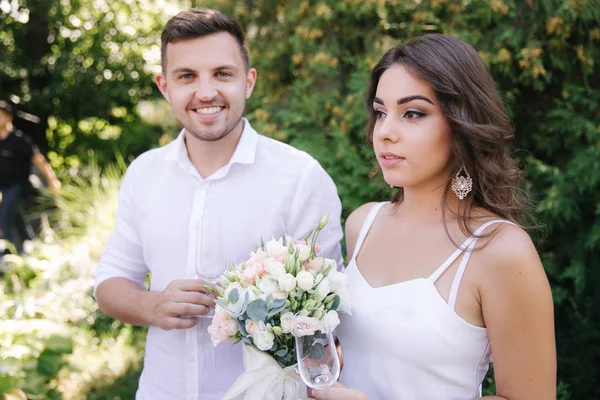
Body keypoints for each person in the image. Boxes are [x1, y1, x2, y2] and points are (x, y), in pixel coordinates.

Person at [93, 8, 343, 400]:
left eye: (222, 74)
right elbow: (109, 282)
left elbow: (331, 315)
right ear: (164, 86)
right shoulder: (144, 174)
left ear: (249, 81)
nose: (206, 92)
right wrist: (152, 305)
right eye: (187, 76)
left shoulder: (300, 178)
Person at [309, 34, 556, 400]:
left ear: (461, 123)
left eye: (413, 113)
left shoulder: (500, 250)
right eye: (380, 112)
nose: (385, 133)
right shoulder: (362, 224)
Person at [0, 100, 61, 255]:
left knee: (5, 218)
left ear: (8, 117)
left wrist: (52, 180)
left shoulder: (19, 140)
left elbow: (39, 160)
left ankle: (7, 258)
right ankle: (31, 248)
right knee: (18, 219)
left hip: (20, 185)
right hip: (4, 187)